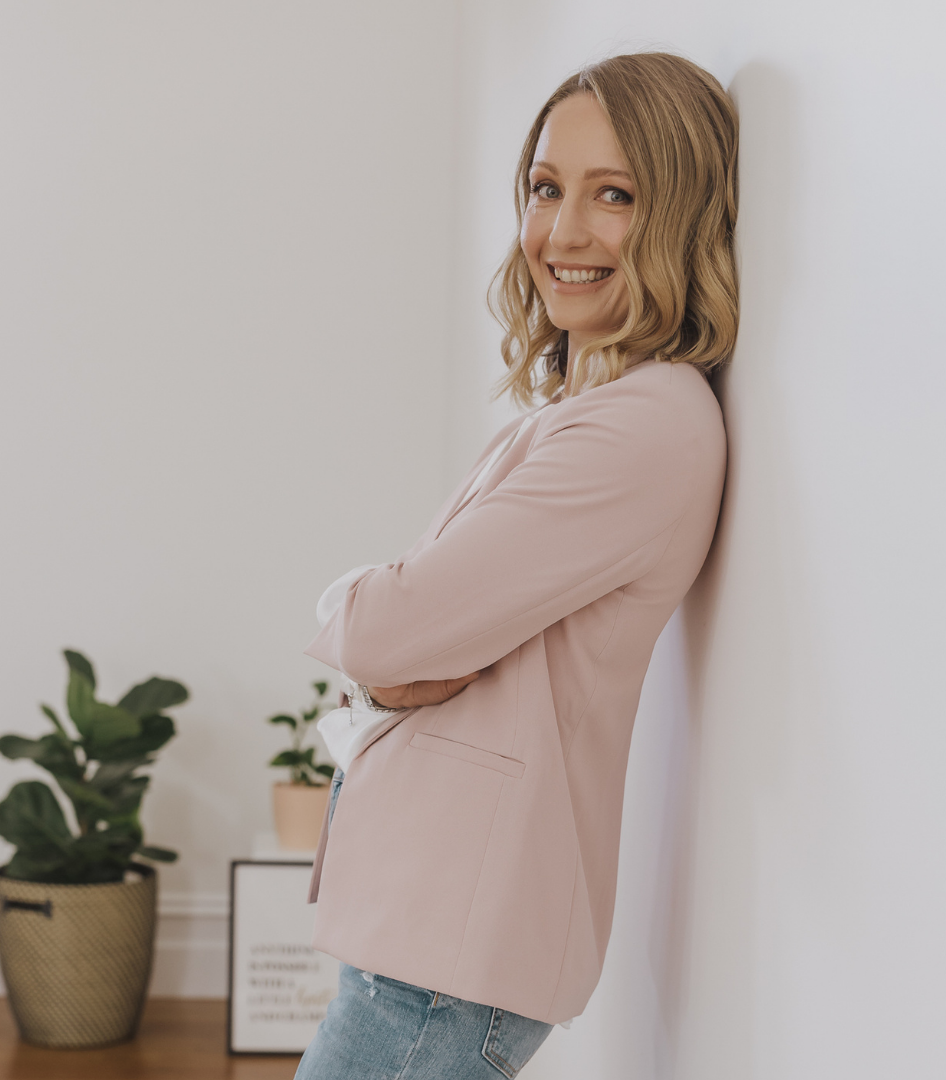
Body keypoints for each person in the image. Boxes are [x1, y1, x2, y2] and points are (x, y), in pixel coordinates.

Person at [294, 52, 738, 1080]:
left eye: (614, 195)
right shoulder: (590, 415)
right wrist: (395, 640)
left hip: (449, 953)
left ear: (680, 212)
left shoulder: (644, 431)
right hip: (430, 937)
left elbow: (383, 631)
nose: (562, 232)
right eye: (547, 188)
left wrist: (370, 615)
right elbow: (400, 646)